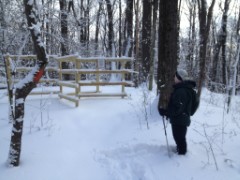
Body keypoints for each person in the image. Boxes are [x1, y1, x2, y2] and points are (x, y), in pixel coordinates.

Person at [158, 69, 197, 155]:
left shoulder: (181, 91)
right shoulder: (185, 89)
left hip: (179, 120)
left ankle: (182, 157)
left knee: (179, 139)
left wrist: (165, 112)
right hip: (182, 119)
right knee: (179, 138)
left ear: (179, 78)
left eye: (175, 77)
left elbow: (177, 108)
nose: (174, 78)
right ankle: (180, 152)